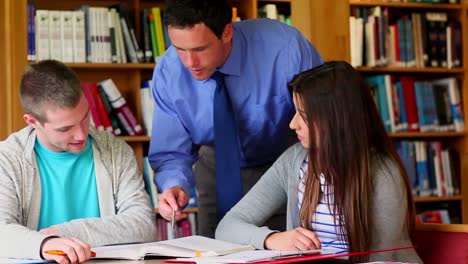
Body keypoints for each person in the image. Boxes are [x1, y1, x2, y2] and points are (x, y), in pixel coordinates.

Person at [215, 61, 422, 263]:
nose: (292, 124)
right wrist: (272, 239)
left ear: (335, 120)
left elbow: (381, 258)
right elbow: (227, 226)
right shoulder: (294, 161)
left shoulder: (383, 172)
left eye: (303, 115)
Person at [149, 0, 323, 238]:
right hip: (214, 165)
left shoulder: (286, 49)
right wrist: (174, 184)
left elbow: (324, 116)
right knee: (216, 244)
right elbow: (171, 151)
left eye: (200, 49)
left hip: (283, 161)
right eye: (180, 49)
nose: (190, 63)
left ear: (227, 32)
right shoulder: (168, 72)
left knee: (285, 244)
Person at [0, 60, 157, 264]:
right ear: (32, 121)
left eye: (85, 117)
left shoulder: (115, 150)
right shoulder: (7, 159)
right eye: (65, 129)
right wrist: (45, 244)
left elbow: (143, 224)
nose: (81, 134)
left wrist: (63, 232)